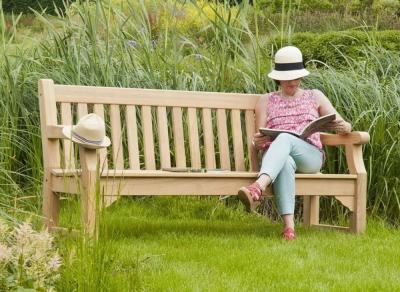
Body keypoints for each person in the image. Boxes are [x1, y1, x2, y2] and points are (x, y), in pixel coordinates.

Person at [237, 46, 352, 241]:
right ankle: (289, 229)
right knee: (286, 160)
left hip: (310, 156)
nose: (293, 81)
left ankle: (257, 186)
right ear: (278, 78)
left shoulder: (315, 95)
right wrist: (258, 141)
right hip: (278, 158)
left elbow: (344, 124)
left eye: (297, 76)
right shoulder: (265, 101)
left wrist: (343, 126)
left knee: (285, 139)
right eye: (288, 77)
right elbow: (259, 139)